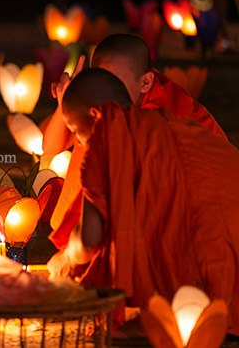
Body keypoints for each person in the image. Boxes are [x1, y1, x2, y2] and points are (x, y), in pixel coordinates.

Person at [47, 67, 239, 336]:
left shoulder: (108, 137)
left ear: (94, 115)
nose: (79, 141)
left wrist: (66, 258)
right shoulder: (170, 123)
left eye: (76, 131)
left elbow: (90, 239)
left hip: (204, 256)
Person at [43, 33, 227, 249]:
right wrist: (64, 105)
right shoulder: (105, 98)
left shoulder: (161, 117)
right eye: (100, 81)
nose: (104, 94)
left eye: (115, 84)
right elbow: (51, 147)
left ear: (146, 82)